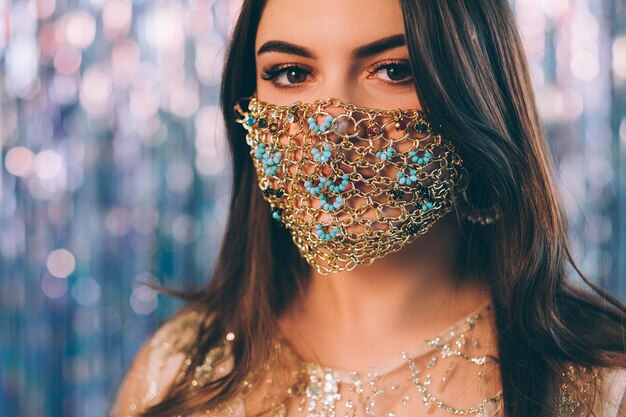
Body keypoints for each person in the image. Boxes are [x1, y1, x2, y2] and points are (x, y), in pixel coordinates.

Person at [109, 0, 626, 416]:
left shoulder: (600, 386)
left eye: (393, 70)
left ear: (474, 92)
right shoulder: (177, 371)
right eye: (291, 74)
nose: (330, 130)